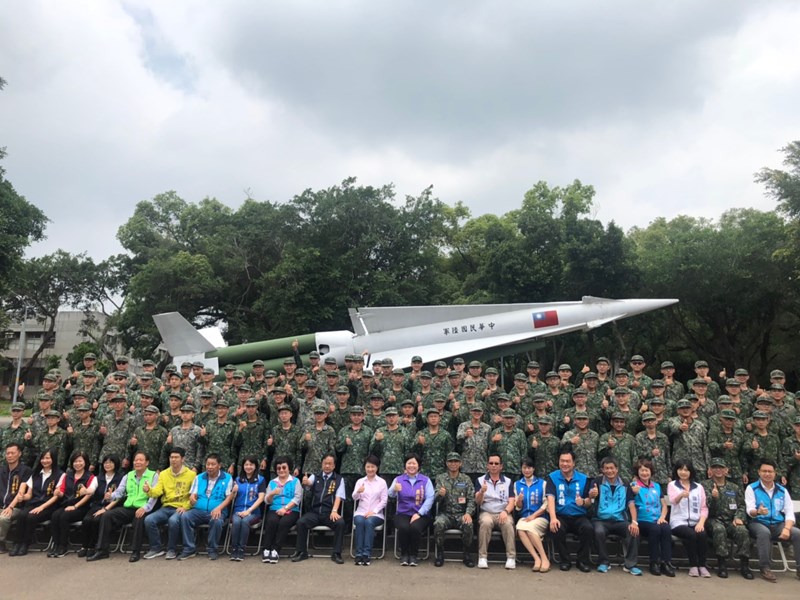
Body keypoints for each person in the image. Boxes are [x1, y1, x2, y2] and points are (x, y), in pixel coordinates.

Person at [90, 451, 157, 562]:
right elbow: (120, 492)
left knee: (139, 519)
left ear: (147, 462)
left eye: (141, 460)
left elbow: (154, 496)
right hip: (128, 507)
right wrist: (111, 496)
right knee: (107, 515)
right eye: (136, 460)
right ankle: (102, 550)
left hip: (143, 507)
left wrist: (145, 508)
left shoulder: (153, 475)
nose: (137, 462)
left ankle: (135, 552)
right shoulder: (128, 475)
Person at [745, 458, 800, 582]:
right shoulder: (752, 488)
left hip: (778, 524)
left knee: (797, 533)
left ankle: (799, 568)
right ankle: (765, 568)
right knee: (764, 533)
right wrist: (758, 511)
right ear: (759, 472)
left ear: (775, 473)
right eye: (764, 471)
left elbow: (789, 512)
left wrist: (787, 528)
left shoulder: (782, 490)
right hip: (757, 523)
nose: (767, 474)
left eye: (770, 471)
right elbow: (749, 510)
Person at [588, 456, 642, 575]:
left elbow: (631, 504)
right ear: (602, 470)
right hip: (601, 519)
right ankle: (604, 562)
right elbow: (590, 497)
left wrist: (634, 522)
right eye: (606, 468)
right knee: (598, 532)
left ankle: (630, 564)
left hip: (620, 520)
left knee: (633, 531)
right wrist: (592, 495)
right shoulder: (597, 482)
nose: (609, 471)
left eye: (612, 468)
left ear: (617, 469)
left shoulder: (625, 483)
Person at [702, 457, 753, 579]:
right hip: (712, 519)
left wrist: (738, 517)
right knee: (719, 529)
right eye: (715, 467)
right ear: (710, 470)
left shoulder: (734, 487)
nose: (718, 470)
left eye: (721, 467)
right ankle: (722, 564)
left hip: (731, 520)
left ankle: (744, 565)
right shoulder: (705, 485)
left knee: (742, 530)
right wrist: (714, 498)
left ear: (726, 470)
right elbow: (705, 508)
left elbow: (741, 505)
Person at [142, 447, 196, 560]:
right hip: (166, 507)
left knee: (173, 521)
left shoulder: (191, 475)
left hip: (181, 507)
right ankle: (156, 548)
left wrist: (186, 507)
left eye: (176, 457)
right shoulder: (164, 474)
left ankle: (172, 549)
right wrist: (149, 490)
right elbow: (157, 492)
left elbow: (194, 495)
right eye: (171, 457)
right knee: (149, 520)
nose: (173, 460)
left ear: (183, 459)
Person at [178, 453, 234, 560]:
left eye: (213, 464)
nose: (210, 467)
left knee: (216, 520)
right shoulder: (199, 477)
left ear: (219, 465)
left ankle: (212, 549)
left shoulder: (227, 478)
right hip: (198, 510)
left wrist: (219, 508)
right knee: (185, 516)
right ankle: (189, 549)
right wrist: (192, 498)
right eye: (208, 464)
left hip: (218, 509)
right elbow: (193, 494)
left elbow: (229, 498)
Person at [292, 453, 347, 564]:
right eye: (325, 463)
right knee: (301, 522)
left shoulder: (339, 479)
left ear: (334, 466)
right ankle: (302, 552)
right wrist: (306, 483)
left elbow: (339, 497)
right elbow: (308, 485)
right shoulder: (315, 476)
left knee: (340, 523)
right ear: (322, 464)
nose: (327, 466)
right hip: (315, 512)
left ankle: (336, 553)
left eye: (330, 464)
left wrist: (334, 511)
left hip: (329, 513)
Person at [546, 446, 593, 572]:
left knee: (588, 528)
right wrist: (553, 518)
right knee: (556, 527)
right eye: (562, 461)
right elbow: (550, 498)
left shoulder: (584, 478)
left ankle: (582, 560)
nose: (565, 464)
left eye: (568, 461)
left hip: (579, 515)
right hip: (561, 515)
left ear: (573, 463)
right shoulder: (552, 477)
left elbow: (589, 502)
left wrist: (583, 501)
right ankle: (565, 560)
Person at [12, 449, 63, 555]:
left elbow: (55, 497)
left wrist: (42, 507)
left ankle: (25, 544)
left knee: (31, 517)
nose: (45, 461)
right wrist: (23, 497)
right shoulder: (35, 474)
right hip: (34, 503)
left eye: (48, 458)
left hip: (49, 506)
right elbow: (29, 494)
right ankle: (17, 544)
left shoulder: (60, 474)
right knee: (22, 515)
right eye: (43, 458)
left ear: (53, 459)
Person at [48, 451, 97, 557]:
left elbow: (88, 494)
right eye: (75, 461)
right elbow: (61, 491)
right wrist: (58, 493)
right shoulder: (66, 475)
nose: (77, 464)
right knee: (55, 515)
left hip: (81, 507)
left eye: (80, 461)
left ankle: (63, 546)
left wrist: (75, 506)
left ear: (85, 462)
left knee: (64, 516)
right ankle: (56, 545)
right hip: (66, 504)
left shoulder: (91, 477)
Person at [388, 453, 433, 567]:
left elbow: (430, 498)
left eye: (414, 463)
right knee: (404, 527)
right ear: (405, 465)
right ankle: (404, 554)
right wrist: (394, 489)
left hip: (420, 514)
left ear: (418, 466)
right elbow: (390, 495)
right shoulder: (398, 479)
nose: (411, 466)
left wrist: (419, 513)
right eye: (409, 463)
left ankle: (413, 555)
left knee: (415, 527)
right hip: (403, 513)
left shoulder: (425, 480)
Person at [631, 458, 674, 577]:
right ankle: (654, 562)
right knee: (655, 530)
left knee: (666, 528)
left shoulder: (657, 486)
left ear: (651, 471)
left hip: (657, 518)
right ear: (637, 472)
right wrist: (633, 492)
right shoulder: (634, 486)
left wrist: (662, 517)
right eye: (642, 470)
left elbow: (664, 504)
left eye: (647, 470)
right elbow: (631, 504)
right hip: (643, 520)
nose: (644, 473)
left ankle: (666, 562)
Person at [668, 460, 710, 577]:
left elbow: (704, 507)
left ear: (691, 472)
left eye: (686, 470)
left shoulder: (698, 487)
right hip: (678, 522)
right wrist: (681, 495)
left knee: (701, 534)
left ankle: (702, 565)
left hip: (696, 521)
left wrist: (701, 523)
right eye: (680, 469)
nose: (683, 472)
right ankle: (693, 565)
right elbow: (672, 501)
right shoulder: (672, 485)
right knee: (691, 535)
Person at [433, 452, 476, 568]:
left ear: (460, 463)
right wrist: (440, 495)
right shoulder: (440, 478)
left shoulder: (466, 479)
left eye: (456, 461)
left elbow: (472, 499)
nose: (453, 464)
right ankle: (440, 554)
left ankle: (467, 554)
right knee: (438, 524)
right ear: (447, 463)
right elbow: (435, 500)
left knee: (468, 524)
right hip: (445, 514)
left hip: (461, 514)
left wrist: (468, 513)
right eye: (450, 461)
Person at [77, 454, 124, 558]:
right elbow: (91, 489)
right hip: (97, 505)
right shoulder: (98, 477)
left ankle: (93, 546)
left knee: (96, 520)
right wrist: (85, 491)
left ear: (116, 464)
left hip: (111, 506)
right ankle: (85, 546)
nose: (108, 465)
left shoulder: (121, 477)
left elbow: (119, 497)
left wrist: (106, 509)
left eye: (110, 462)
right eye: (106, 462)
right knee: (87, 520)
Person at [475, 454, 516, 569]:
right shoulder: (480, 480)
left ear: (501, 466)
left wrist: (506, 511)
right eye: (491, 463)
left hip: (503, 511)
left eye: (496, 464)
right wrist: (482, 492)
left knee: (508, 523)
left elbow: (512, 501)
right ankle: (482, 557)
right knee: (485, 523)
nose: (493, 466)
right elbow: (478, 502)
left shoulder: (507, 481)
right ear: (487, 465)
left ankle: (511, 558)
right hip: (487, 512)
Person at [261, 455, 302, 564]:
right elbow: (267, 501)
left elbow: (298, 498)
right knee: (271, 521)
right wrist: (272, 494)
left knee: (284, 523)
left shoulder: (295, 481)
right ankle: (266, 548)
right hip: (274, 508)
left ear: (289, 468)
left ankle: (276, 549)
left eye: (284, 467)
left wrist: (285, 508)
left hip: (292, 509)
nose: (281, 470)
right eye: (279, 468)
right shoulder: (272, 482)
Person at [514, 457, 550, 572]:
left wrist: (534, 516)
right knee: (520, 528)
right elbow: (518, 507)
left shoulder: (542, 483)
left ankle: (544, 558)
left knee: (528, 528)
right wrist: (519, 500)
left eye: (529, 468)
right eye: (524, 468)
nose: (527, 470)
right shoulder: (517, 484)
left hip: (540, 517)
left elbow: (546, 504)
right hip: (525, 517)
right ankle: (537, 559)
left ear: (533, 469)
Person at [351, 454, 388, 566]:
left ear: (377, 468)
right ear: (364, 467)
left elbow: (384, 500)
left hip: (376, 515)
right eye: (368, 467)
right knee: (360, 521)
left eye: (373, 467)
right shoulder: (360, 481)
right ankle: (358, 554)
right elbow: (354, 498)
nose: (370, 469)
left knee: (369, 522)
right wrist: (358, 491)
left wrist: (374, 511)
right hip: (361, 512)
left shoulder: (382, 482)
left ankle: (366, 554)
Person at [229, 455, 266, 561]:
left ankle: (241, 549)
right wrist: (233, 491)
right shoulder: (237, 479)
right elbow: (231, 499)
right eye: (246, 464)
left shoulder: (260, 480)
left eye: (251, 464)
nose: (248, 467)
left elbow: (261, 498)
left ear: (255, 466)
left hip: (253, 512)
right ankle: (234, 548)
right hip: (238, 511)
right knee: (236, 522)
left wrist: (249, 511)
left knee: (245, 521)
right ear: (243, 466)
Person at [0, 443, 32, 554]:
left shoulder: (25, 471)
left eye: (12, 453)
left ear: (19, 454)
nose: (9, 455)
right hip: (2, 505)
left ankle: (1, 543)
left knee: (3, 518)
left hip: (17, 507)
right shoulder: (2, 470)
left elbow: (21, 493)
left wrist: (10, 507)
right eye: (7, 453)